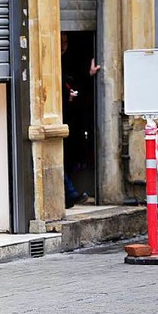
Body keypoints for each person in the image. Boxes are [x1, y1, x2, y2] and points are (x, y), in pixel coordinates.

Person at [61, 32, 100, 209]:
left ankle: (69, 196)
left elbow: (78, 84)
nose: (63, 46)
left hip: (71, 122)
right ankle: (70, 195)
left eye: (66, 42)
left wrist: (89, 74)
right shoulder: (53, 64)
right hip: (60, 121)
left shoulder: (69, 63)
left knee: (67, 160)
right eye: (60, 42)